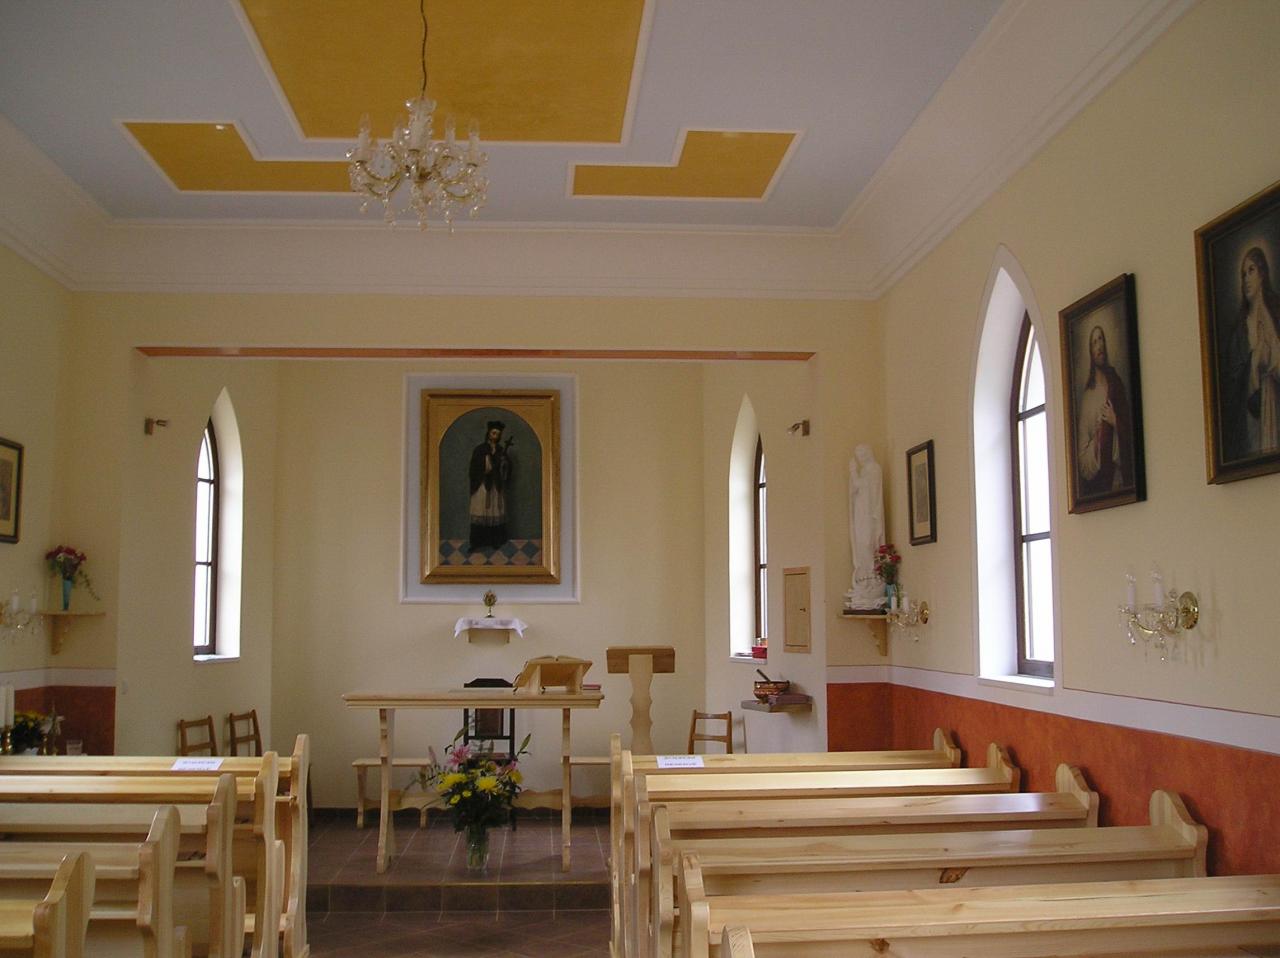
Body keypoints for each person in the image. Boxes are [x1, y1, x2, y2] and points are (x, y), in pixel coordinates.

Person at [1229, 246, 1280, 457]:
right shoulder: (1240, 329)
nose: (1246, 279)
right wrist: (1254, 361)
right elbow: (1234, 382)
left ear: (1262, 273)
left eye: (1251, 271)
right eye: (1243, 274)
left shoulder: (1275, 314)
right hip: (1252, 415)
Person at [1076, 324, 1134, 496]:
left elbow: (1132, 431)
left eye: (1101, 339)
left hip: (1121, 475)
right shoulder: (1088, 398)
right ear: (1090, 351)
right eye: (1094, 342)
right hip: (1102, 481)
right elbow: (1082, 459)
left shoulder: (1116, 383)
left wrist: (1115, 421)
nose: (1099, 346)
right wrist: (1098, 440)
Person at [847, 444, 886, 610]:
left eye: (862, 454)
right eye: (858, 455)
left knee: (867, 542)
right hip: (861, 511)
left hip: (869, 513)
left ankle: (871, 576)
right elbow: (857, 489)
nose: (860, 458)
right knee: (861, 542)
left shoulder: (873, 469)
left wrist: (853, 471)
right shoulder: (865, 470)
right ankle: (865, 576)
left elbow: (860, 486)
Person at [468, 420, 512, 550]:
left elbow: (506, 468)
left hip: (495, 485)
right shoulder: (480, 449)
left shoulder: (501, 450)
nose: (495, 436)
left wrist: (504, 463)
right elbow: (473, 468)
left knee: (495, 512)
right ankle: (476, 543)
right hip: (482, 485)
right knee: (480, 511)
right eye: (493, 433)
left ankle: (495, 541)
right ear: (488, 433)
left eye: (498, 434)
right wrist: (484, 465)